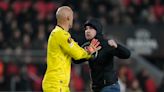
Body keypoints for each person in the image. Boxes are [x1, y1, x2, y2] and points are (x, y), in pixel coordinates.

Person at [42, 6, 101, 92]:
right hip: (56, 85)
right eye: (72, 17)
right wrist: (89, 52)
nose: (73, 19)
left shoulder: (59, 33)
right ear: (68, 18)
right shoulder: (60, 34)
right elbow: (77, 54)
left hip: (60, 84)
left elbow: (74, 48)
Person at [73, 18, 131, 92]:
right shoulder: (87, 46)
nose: (87, 31)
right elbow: (76, 60)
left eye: (91, 28)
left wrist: (117, 46)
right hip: (96, 88)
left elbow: (127, 54)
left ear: (98, 30)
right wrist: (86, 53)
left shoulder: (106, 44)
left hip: (109, 86)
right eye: (86, 29)